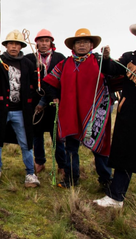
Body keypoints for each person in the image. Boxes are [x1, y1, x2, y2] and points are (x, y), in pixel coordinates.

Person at [44, 29, 112, 189]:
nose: (82, 45)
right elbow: (49, 81)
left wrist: (107, 59)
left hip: (95, 111)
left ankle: (106, 180)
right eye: (78, 42)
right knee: (71, 148)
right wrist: (54, 96)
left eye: (85, 42)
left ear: (91, 45)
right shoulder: (65, 63)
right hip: (71, 112)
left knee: (100, 146)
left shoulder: (100, 61)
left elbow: (114, 74)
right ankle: (71, 179)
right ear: (73, 46)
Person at [0, 30, 40, 188]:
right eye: (11, 43)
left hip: (21, 110)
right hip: (1, 108)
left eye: (17, 44)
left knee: (25, 142)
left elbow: (36, 82)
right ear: (6, 45)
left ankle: (30, 173)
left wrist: (39, 69)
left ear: (21, 46)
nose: (14, 46)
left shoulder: (27, 63)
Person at [94, 24, 136, 207]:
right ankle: (116, 196)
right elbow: (110, 68)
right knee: (125, 152)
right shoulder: (129, 57)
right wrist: (105, 58)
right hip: (130, 113)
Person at [25, 29, 67, 175]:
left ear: (51, 43)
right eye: (41, 41)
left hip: (55, 101)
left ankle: (62, 164)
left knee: (57, 135)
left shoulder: (60, 58)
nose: (43, 44)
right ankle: (39, 161)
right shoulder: (30, 58)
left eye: (46, 41)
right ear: (36, 43)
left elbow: (64, 80)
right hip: (35, 102)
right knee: (37, 134)